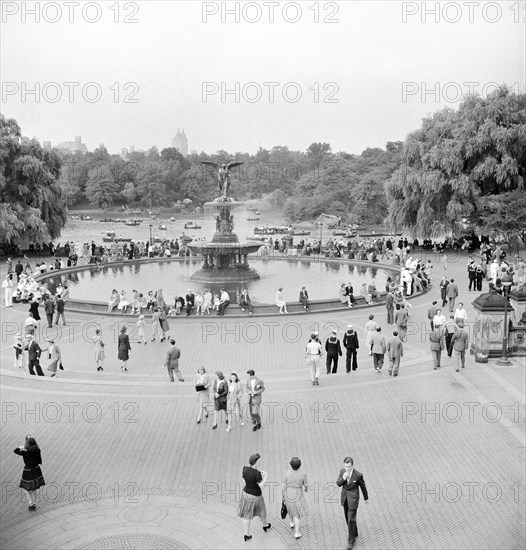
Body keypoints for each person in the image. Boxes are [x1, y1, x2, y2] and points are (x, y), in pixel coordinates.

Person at [237, 453, 271, 542]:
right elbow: (262, 487)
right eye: (259, 461)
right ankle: (265, 525)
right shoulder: (257, 474)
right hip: (256, 496)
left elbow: (244, 482)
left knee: (246, 515)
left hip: (245, 494)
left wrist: (248, 488)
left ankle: (246, 534)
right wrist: (266, 476)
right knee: (261, 511)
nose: (260, 462)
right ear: (255, 462)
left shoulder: (245, 469)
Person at [337, 456, 368, 550]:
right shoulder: (342, 471)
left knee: (351, 519)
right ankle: (354, 531)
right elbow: (338, 483)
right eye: (346, 466)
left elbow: (363, 486)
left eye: (349, 467)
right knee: (347, 517)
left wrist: (366, 498)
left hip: (353, 499)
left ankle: (351, 540)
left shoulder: (358, 475)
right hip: (345, 498)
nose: (347, 469)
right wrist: (343, 478)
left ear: (352, 465)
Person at [14, 436, 45, 511]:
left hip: (28, 471)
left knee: (27, 488)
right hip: (36, 470)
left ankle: (31, 503)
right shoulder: (38, 450)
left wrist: (23, 446)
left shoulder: (25, 452)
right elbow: (39, 461)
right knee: (34, 487)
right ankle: (34, 503)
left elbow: (15, 450)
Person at [282, 457, 309, 540]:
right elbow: (306, 485)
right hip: (298, 494)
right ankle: (297, 533)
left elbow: (284, 484)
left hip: (288, 493)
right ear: (299, 465)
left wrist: (283, 494)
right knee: (297, 513)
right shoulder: (303, 475)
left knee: (290, 508)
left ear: (291, 465)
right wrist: (306, 489)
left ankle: (291, 522)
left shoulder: (287, 473)